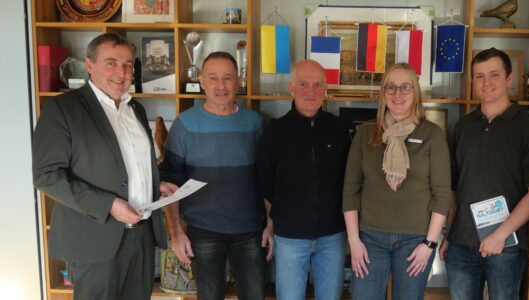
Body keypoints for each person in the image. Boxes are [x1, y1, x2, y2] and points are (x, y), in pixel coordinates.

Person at [32, 33, 168, 300]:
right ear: (90, 65)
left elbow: (130, 166)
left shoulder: (135, 110)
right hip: (95, 238)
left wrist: (156, 185)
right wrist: (109, 205)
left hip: (142, 236)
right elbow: (46, 176)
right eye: (111, 63)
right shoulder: (62, 109)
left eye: (128, 64)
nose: (122, 72)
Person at [159, 51, 269, 300]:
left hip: (250, 231)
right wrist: (176, 233)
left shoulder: (255, 123)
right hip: (202, 231)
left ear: (238, 81)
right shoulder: (185, 125)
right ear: (201, 81)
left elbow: (268, 180)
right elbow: (170, 184)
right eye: (213, 78)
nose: (221, 86)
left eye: (228, 78)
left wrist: (271, 224)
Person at [440, 48, 529, 300]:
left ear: (509, 79)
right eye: (479, 76)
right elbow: (455, 189)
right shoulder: (464, 127)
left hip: (506, 246)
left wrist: (499, 235)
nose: (486, 83)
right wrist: (448, 235)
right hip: (461, 244)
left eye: (494, 75)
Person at [343, 63, 451, 299]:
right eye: (391, 87)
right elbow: (351, 190)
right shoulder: (365, 133)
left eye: (405, 87)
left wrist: (429, 244)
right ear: (383, 93)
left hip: (416, 242)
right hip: (370, 239)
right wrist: (353, 240)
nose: (398, 94)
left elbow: (442, 195)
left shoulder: (432, 134)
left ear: (415, 92)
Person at [257, 60, 351, 300]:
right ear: (292, 89)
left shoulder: (339, 129)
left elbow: (350, 181)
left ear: (325, 89)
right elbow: (266, 185)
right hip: (289, 237)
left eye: (318, 85)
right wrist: (271, 224)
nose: (311, 91)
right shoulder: (274, 132)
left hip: (332, 236)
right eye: (304, 84)